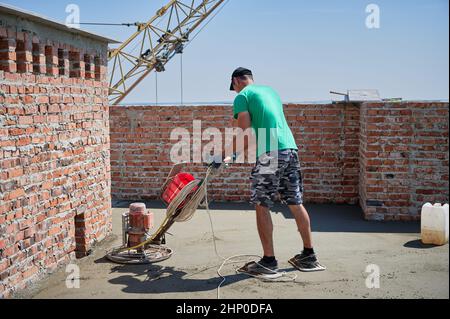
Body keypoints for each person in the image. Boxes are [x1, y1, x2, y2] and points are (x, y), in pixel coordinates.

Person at [221, 67, 326, 279]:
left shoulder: (242, 96)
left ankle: (268, 262)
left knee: (262, 204)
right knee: (295, 202)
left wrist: (222, 154)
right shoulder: (270, 92)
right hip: (290, 150)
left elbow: (243, 130)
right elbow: (261, 127)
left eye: (233, 88)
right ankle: (309, 256)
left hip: (271, 155)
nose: (234, 92)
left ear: (236, 81)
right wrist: (233, 156)